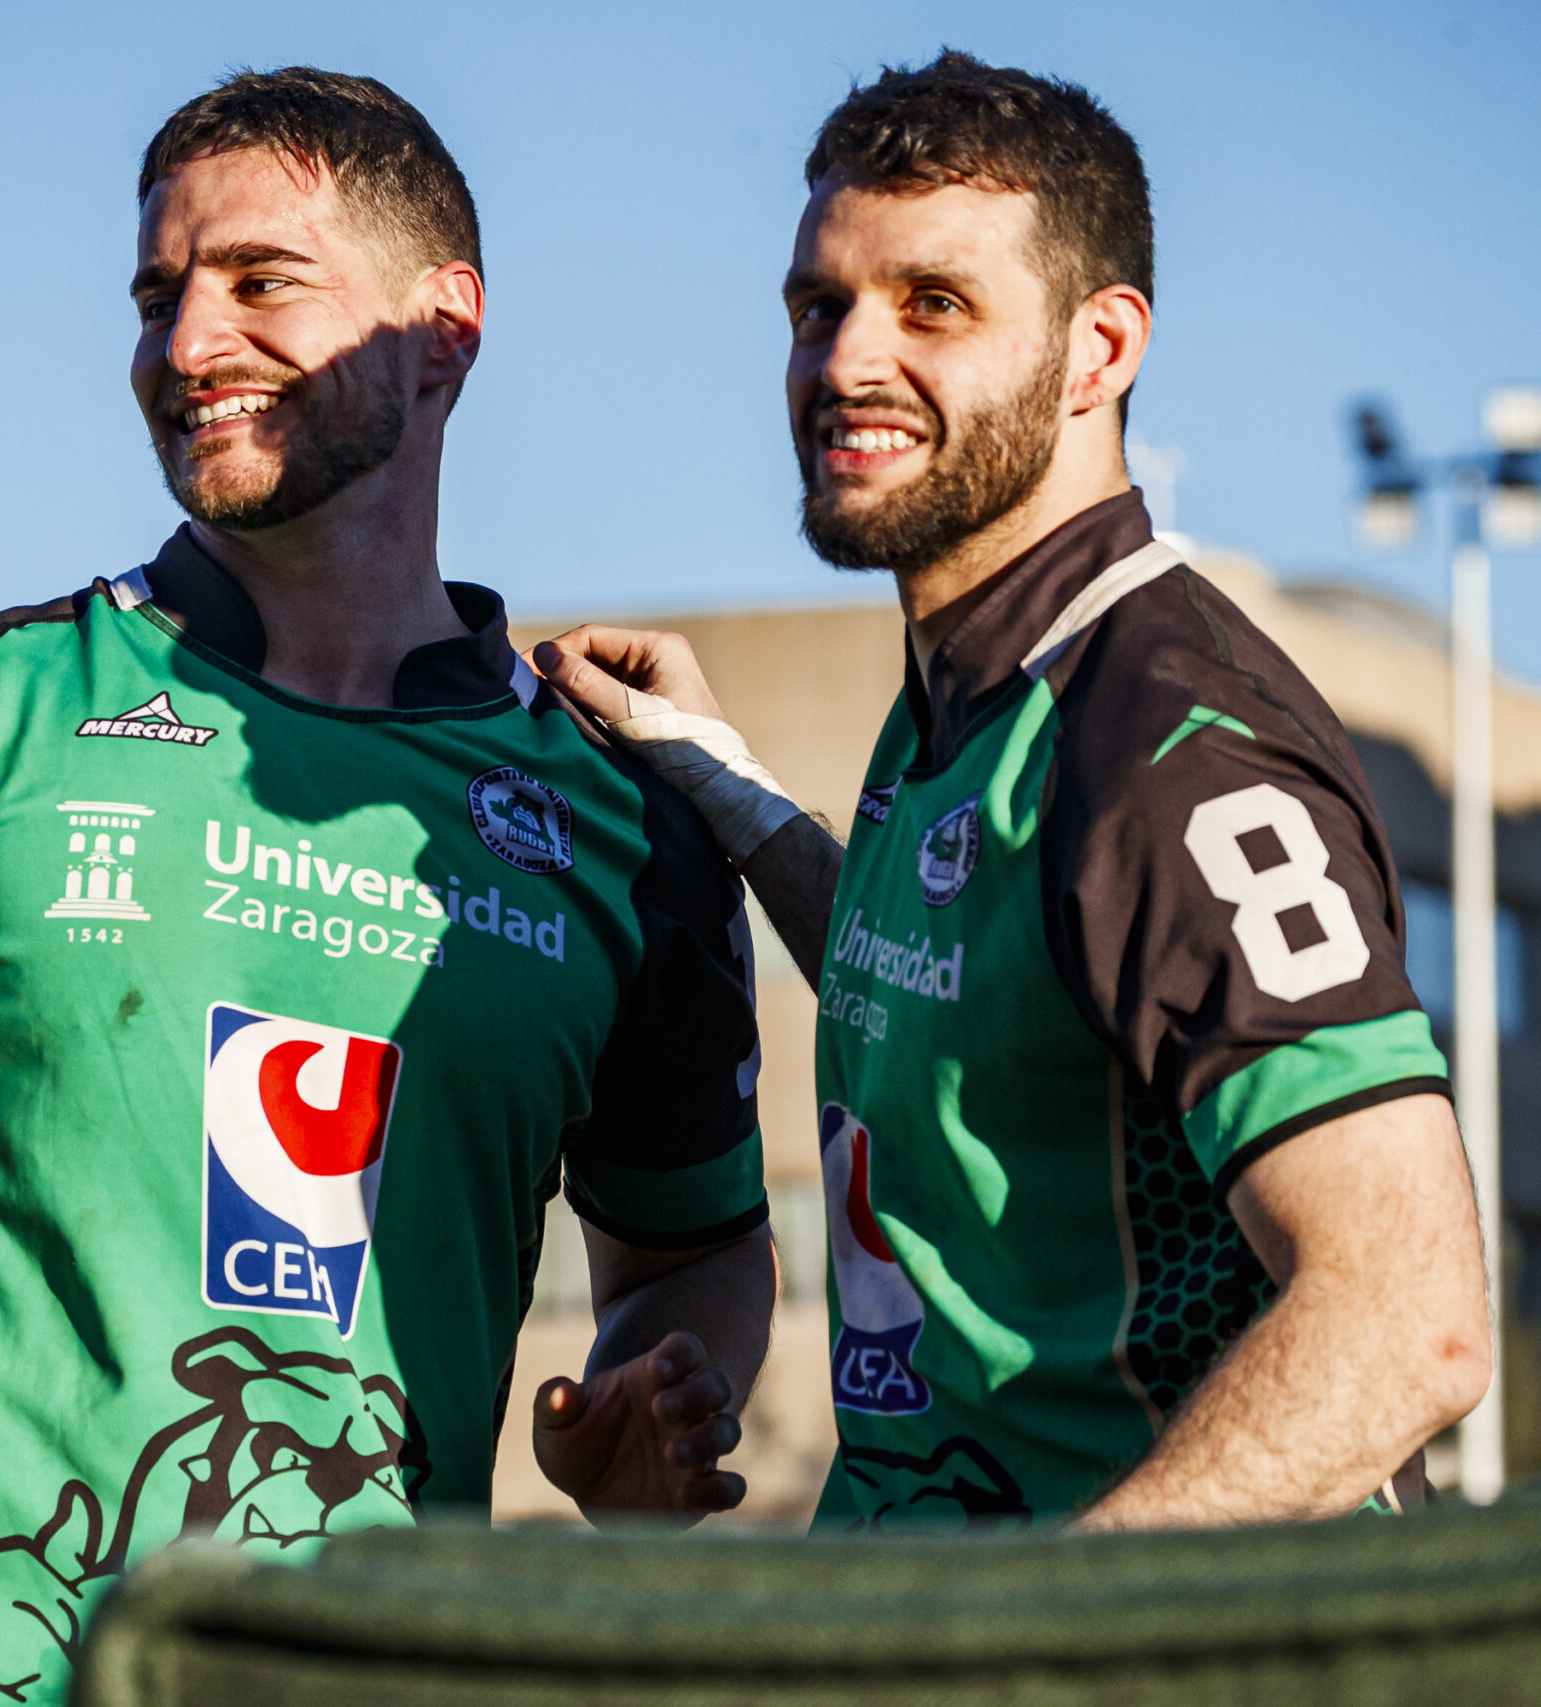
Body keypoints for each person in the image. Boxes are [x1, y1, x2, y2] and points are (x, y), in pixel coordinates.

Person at [0, 68, 775, 1703]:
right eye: (159, 295)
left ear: (442, 329)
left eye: (259, 283)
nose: (184, 347)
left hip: (381, 1671)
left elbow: (698, 1253)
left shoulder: (627, 810)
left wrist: (660, 1410)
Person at [537, 51, 1489, 1531]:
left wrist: (1036, 1645)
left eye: (934, 304)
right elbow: (956, 969)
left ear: (1099, 350)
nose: (849, 360)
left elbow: (1407, 1312)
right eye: (819, 306)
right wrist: (729, 792)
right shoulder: (974, 686)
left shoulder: (1172, 740)